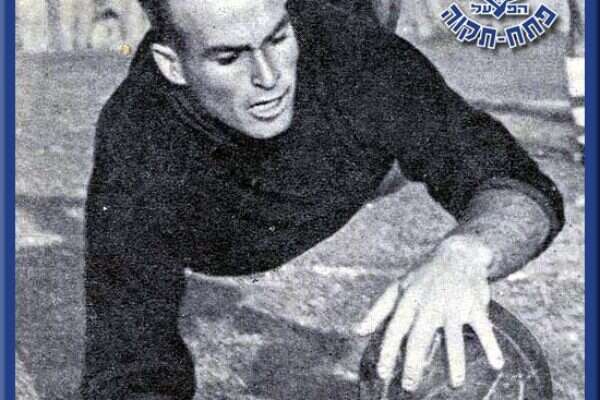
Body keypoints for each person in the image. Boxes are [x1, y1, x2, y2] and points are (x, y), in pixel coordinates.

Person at [81, 0, 564, 398]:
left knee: (383, 90)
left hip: (361, 146)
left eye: (277, 38)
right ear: (173, 65)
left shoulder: (355, 55)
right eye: (229, 58)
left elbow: (514, 180)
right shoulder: (139, 142)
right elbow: (130, 366)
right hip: (233, 221)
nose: (268, 76)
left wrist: (465, 255)